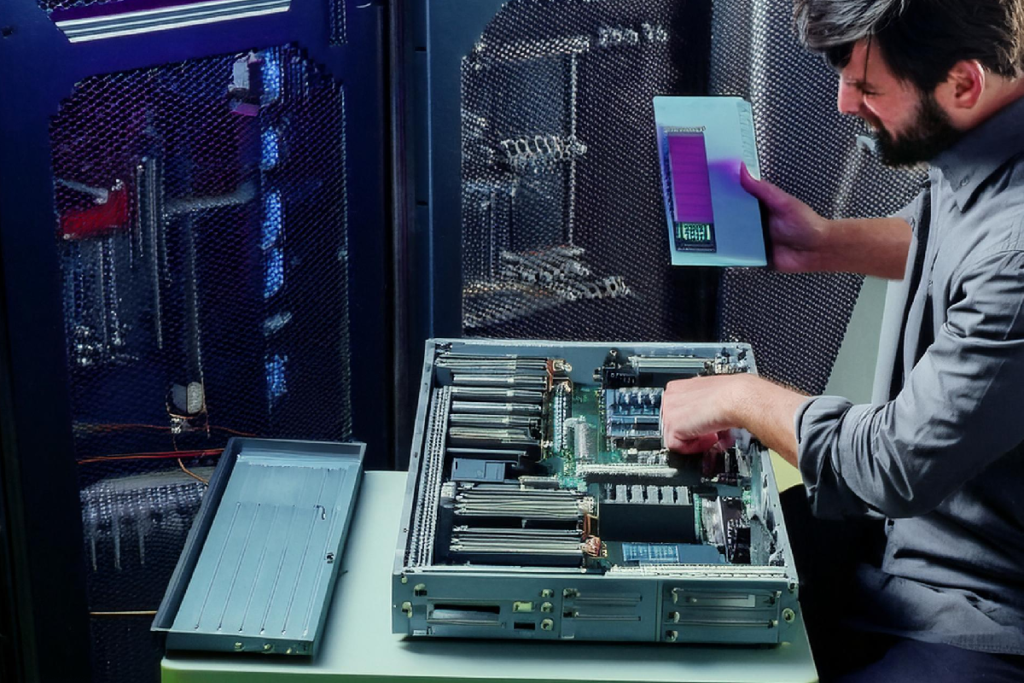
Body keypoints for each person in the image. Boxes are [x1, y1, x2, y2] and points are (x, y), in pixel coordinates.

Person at [660, 1, 1024, 681]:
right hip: (896, 558)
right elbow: (954, 235)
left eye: (868, 87)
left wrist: (741, 395)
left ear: (963, 83)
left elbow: (894, 464)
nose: (842, 103)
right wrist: (824, 242)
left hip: (984, 613)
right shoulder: (988, 130)